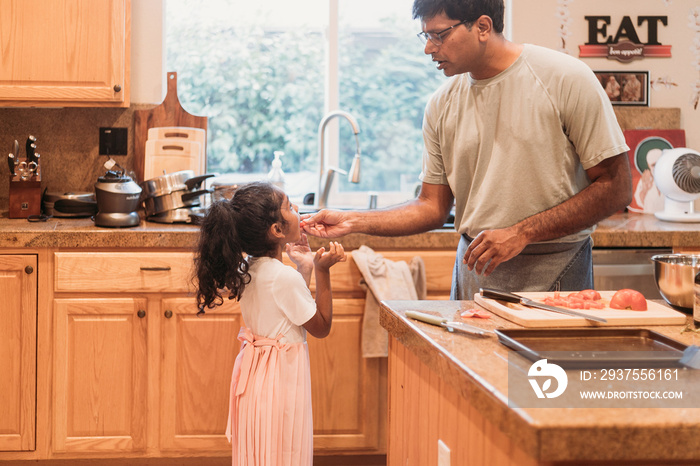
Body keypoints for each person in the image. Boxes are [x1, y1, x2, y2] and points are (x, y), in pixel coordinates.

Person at [301, 0, 632, 300]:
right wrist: (353, 220)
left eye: (439, 35)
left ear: (483, 27)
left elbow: (616, 188)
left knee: (543, 370)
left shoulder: (565, 78)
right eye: (425, 36)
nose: (429, 48)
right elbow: (431, 207)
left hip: (555, 268)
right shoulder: (441, 104)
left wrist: (522, 233)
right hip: (474, 269)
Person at [194, 181, 346, 465]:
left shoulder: (247, 269)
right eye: (289, 206)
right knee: (284, 453)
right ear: (277, 230)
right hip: (281, 385)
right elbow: (321, 326)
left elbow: (286, 311)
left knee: (262, 454)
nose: (297, 210)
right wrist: (323, 271)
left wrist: (305, 267)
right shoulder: (283, 277)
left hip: (255, 387)